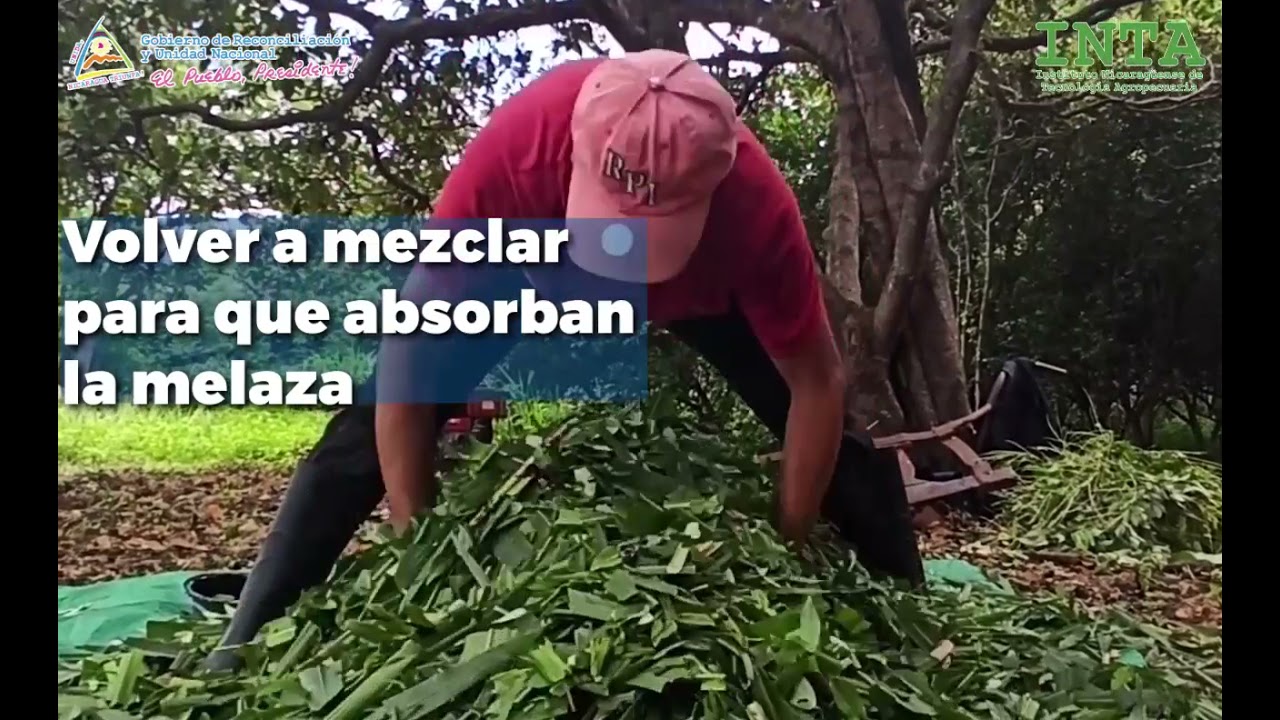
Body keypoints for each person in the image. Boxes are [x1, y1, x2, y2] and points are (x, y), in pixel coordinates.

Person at [202, 49, 923, 672]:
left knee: (842, 452)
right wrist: (421, 546)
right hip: (528, 272)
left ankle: (912, 618)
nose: (626, 260)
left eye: (651, 237)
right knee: (360, 434)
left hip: (704, 296)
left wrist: (787, 541)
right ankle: (240, 644)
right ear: (577, 155)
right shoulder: (517, 152)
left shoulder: (754, 208)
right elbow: (408, 357)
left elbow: (817, 384)